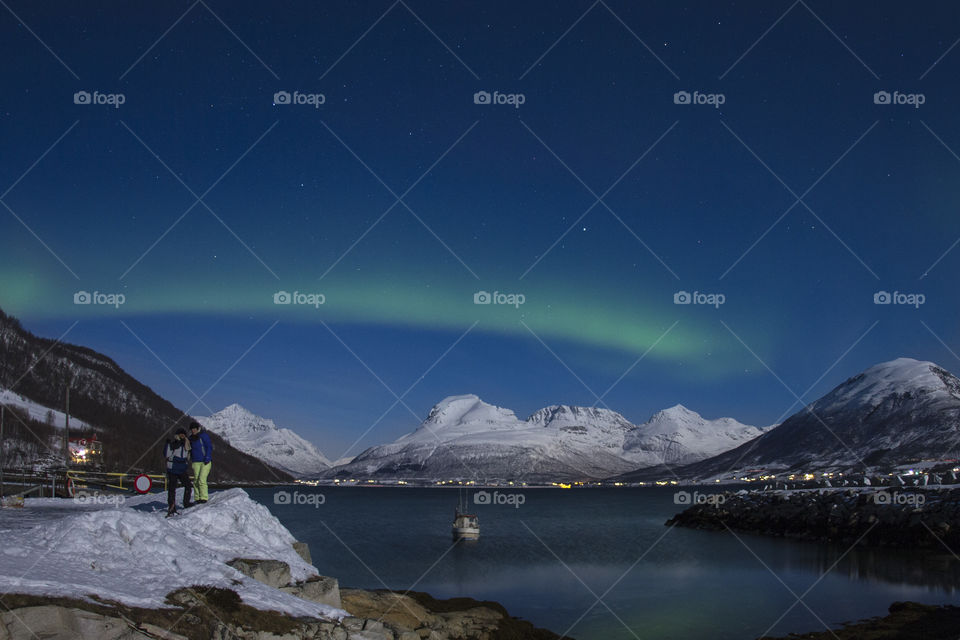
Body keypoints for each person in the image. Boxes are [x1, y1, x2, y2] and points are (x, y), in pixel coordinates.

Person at [164, 428, 193, 515]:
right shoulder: (172, 444)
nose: (182, 436)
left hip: (182, 468)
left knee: (188, 485)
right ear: (177, 435)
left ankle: (186, 503)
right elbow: (166, 455)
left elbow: (188, 456)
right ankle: (172, 506)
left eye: (183, 434)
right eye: (180, 434)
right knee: (172, 488)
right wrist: (167, 444)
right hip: (172, 468)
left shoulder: (187, 444)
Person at [189, 421, 213, 503]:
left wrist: (207, 457)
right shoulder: (190, 438)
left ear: (198, 429)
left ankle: (204, 497)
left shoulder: (203, 436)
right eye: (192, 429)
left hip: (205, 461)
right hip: (195, 461)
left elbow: (209, 446)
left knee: (202, 479)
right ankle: (197, 498)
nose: (193, 431)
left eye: (194, 429)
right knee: (196, 480)